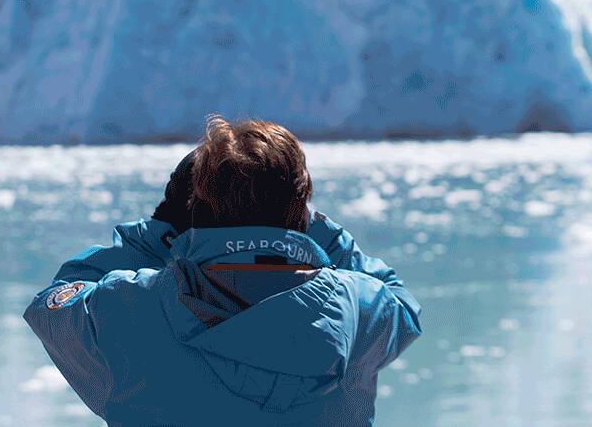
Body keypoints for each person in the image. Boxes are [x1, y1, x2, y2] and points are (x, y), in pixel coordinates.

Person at [24, 114, 423, 425]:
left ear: (196, 209)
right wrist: (313, 227)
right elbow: (400, 300)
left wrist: (159, 230)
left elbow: (54, 302)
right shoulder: (361, 310)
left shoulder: (130, 309)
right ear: (298, 210)